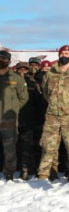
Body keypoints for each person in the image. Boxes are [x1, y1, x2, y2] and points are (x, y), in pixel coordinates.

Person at [37, 45, 69, 182]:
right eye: (62, 53)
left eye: (67, 53)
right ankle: (45, 174)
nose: (65, 56)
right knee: (49, 145)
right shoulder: (50, 74)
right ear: (59, 55)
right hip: (52, 115)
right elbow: (45, 92)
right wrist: (54, 104)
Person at [0, 50, 29, 180]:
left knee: (9, 148)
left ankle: (9, 173)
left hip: (9, 119)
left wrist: (13, 109)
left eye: (4, 59)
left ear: (9, 61)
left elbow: (24, 97)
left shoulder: (16, 78)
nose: (2, 61)